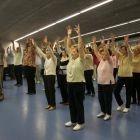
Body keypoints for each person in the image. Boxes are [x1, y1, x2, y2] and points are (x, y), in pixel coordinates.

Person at [65, 24, 85, 131]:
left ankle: (81, 122)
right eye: (72, 52)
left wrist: (79, 34)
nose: (72, 52)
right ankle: (73, 120)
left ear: (78, 53)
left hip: (79, 83)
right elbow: (68, 47)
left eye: (74, 51)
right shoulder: (71, 59)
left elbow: (80, 47)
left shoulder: (81, 59)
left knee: (78, 103)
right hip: (70, 83)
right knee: (71, 103)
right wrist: (69, 35)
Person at [93, 36, 115, 120]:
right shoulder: (101, 60)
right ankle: (103, 111)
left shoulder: (110, 61)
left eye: (105, 54)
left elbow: (107, 54)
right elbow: (95, 51)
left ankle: (108, 113)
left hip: (108, 83)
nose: (103, 55)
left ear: (108, 55)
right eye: (103, 54)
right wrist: (95, 43)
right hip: (100, 83)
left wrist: (104, 45)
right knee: (101, 98)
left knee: (107, 99)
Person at [111, 33, 133, 113]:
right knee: (116, 91)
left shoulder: (130, 57)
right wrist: (113, 41)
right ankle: (121, 103)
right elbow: (114, 50)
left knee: (128, 92)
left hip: (128, 77)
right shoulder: (120, 56)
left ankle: (127, 107)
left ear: (126, 50)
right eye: (121, 49)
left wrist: (126, 43)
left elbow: (130, 52)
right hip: (121, 76)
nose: (122, 51)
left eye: (123, 50)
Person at [35, 36, 57, 111]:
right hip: (46, 76)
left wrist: (47, 44)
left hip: (51, 76)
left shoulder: (54, 59)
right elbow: (41, 52)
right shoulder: (46, 58)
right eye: (46, 52)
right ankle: (49, 104)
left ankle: (53, 105)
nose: (47, 53)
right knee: (47, 91)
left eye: (48, 52)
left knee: (51, 91)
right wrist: (36, 46)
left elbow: (51, 51)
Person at [56, 36, 69, 105]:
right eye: (62, 52)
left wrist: (65, 41)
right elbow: (58, 48)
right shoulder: (61, 57)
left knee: (66, 87)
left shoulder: (68, 58)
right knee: (62, 88)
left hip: (66, 75)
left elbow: (66, 48)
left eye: (64, 52)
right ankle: (64, 99)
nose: (63, 53)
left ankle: (68, 100)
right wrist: (57, 41)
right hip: (60, 75)